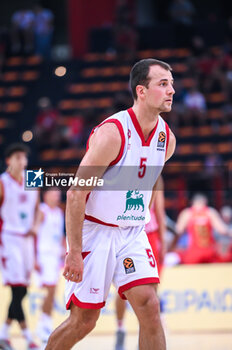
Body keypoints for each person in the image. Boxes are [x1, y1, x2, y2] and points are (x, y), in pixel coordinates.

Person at [45, 58, 176, 350]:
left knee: (150, 306)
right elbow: (76, 193)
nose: (171, 91)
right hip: (96, 231)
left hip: (131, 232)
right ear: (141, 91)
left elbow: (149, 181)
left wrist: (141, 215)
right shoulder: (113, 133)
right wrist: (74, 252)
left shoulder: (167, 139)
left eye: (172, 84)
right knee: (84, 321)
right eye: (163, 84)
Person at [114, 176, 166, 350]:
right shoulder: (124, 168)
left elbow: (159, 211)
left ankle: (144, 334)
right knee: (124, 288)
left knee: (151, 292)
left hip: (150, 234)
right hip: (128, 233)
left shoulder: (155, 172)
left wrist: (163, 241)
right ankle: (120, 328)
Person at [0, 143, 40, 350]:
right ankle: (28, 337)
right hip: (9, 238)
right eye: (18, 157)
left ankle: (3, 333)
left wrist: (34, 225)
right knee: (18, 287)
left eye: (24, 157)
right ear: (9, 161)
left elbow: (37, 209)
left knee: (22, 289)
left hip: (28, 240)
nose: (22, 161)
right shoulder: (2, 182)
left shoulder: (34, 178)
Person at [165, 193, 230, 266]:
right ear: (205, 202)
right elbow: (223, 230)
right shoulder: (210, 212)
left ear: (192, 203)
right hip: (210, 252)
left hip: (194, 253)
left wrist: (171, 246)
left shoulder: (187, 213)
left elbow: (178, 232)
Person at [35, 189, 65, 343]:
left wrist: (64, 251)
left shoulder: (59, 213)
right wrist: (34, 258)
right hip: (43, 255)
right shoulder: (42, 211)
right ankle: (43, 325)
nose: (57, 197)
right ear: (46, 196)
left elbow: (60, 235)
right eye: (54, 194)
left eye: (58, 195)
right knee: (50, 289)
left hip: (54, 256)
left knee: (53, 291)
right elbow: (33, 233)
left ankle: (45, 323)